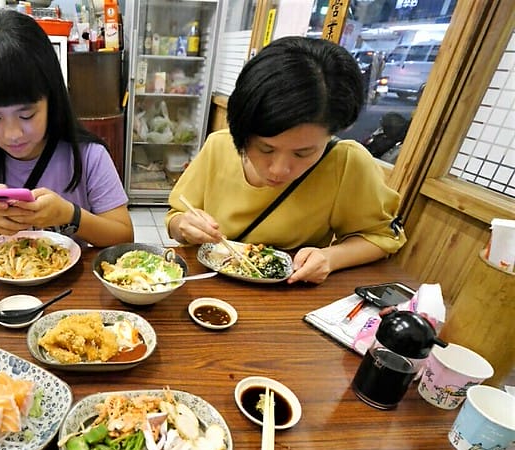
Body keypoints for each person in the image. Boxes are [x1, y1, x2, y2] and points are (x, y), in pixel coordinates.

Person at [165, 36, 406, 284]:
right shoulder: (219, 146)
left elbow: (381, 237)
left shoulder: (346, 162)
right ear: (242, 128)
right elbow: (176, 218)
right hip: (210, 288)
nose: (279, 170)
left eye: (303, 153)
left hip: (291, 296)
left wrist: (331, 258)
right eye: (265, 148)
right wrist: (183, 225)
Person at [0, 11, 133, 248]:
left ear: (52, 98)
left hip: (71, 278)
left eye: (26, 115)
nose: (13, 134)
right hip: (2, 277)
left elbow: (123, 237)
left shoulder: (88, 154)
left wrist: (70, 215)